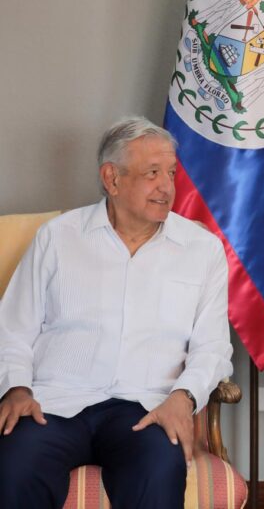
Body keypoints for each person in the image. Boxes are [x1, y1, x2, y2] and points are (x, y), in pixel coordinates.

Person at [0, 117, 233, 508]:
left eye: (171, 173)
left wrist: (184, 397)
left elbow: (213, 346)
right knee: (13, 467)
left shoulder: (201, 248)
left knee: (158, 471)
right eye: (152, 173)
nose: (167, 187)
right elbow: (14, 326)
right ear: (112, 179)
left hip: (146, 409)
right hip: (54, 404)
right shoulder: (58, 238)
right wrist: (17, 388)